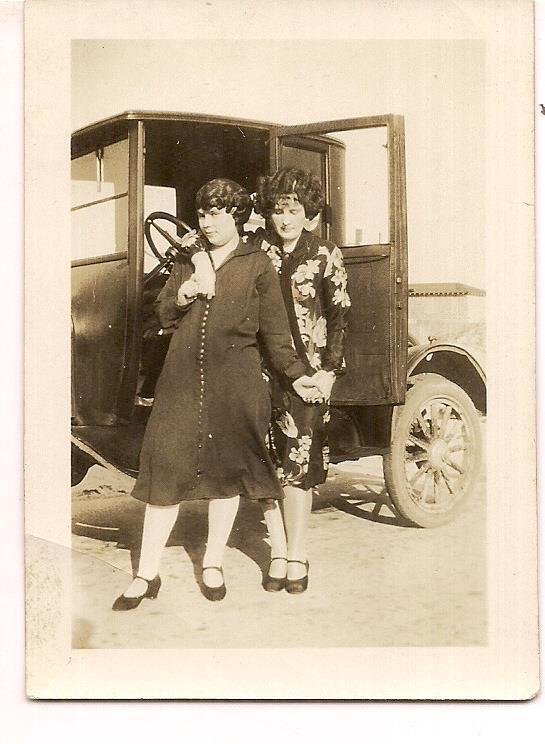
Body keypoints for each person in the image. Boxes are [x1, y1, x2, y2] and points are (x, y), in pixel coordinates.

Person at [112, 178, 321, 610]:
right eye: (203, 214)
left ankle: (213, 562)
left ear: (237, 216)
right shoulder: (188, 259)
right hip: (181, 381)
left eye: (217, 214)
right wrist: (184, 292)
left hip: (237, 385)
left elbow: (276, 333)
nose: (208, 223)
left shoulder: (257, 264)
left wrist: (298, 375)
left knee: (225, 476)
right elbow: (162, 314)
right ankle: (146, 573)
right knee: (165, 470)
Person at [180, 168, 351, 594]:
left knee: (298, 465)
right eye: (278, 210)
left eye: (293, 211)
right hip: (260, 371)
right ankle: (278, 549)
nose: (285, 219)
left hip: (307, 375)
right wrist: (200, 262)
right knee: (266, 464)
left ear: (309, 213)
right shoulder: (257, 247)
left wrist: (329, 371)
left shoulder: (325, 253)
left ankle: (297, 554)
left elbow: (339, 317)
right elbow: (193, 239)